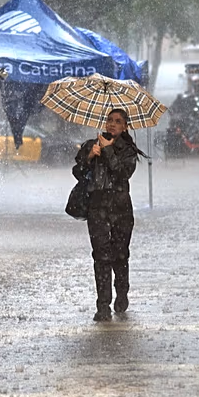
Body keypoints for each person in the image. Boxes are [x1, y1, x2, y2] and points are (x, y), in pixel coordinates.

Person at [74, 108, 142, 321]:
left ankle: (122, 293)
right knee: (101, 256)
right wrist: (89, 157)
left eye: (117, 121)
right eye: (109, 120)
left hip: (121, 210)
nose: (112, 124)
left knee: (120, 255)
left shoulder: (128, 150)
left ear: (124, 127)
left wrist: (109, 151)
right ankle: (103, 305)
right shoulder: (91, 144)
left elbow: (122, 173)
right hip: (97, 209)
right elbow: (77, 172)